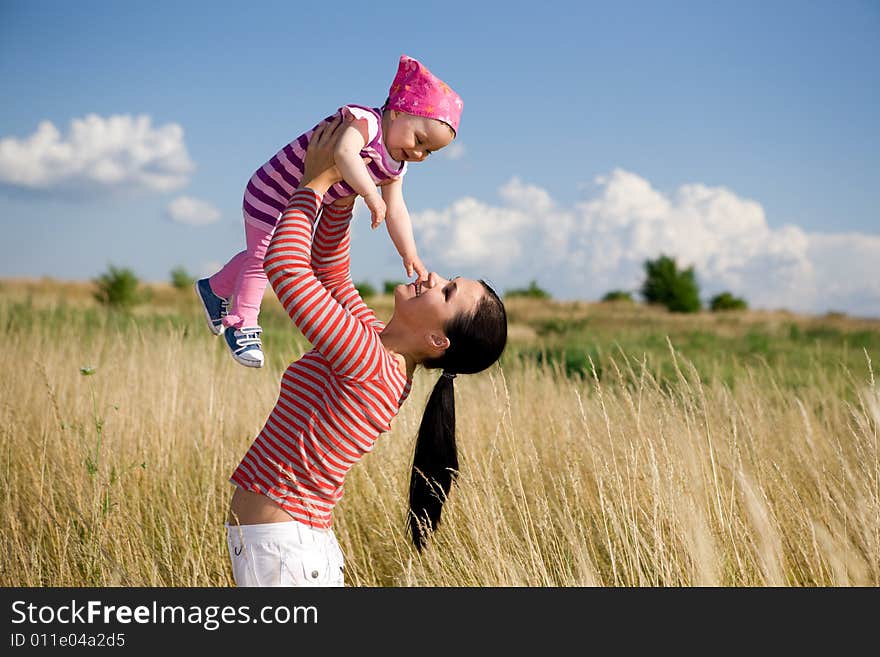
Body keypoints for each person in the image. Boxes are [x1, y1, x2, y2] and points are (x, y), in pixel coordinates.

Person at [224, 116, 507, 587]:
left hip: (286, 556)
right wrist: (345, 183)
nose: (434, 277)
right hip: (284, 550)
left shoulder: (371, 364)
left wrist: (315, 183)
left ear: (439, 341)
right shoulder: (375, 342)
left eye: (448, 291)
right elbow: (330, 272)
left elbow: (288, 267)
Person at [195, 54, 462, 368]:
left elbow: (397, 208)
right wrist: (369, 195)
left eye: (428, 152)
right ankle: (242, 323)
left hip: (302, 199)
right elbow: (344, 153)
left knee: (261, 252)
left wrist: (409, 252)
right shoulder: (366, 121)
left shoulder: (396, 163)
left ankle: (214, 290)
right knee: (264, 257)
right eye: (419, 139)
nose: (418, 152)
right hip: (273, 189)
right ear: (397, 111)